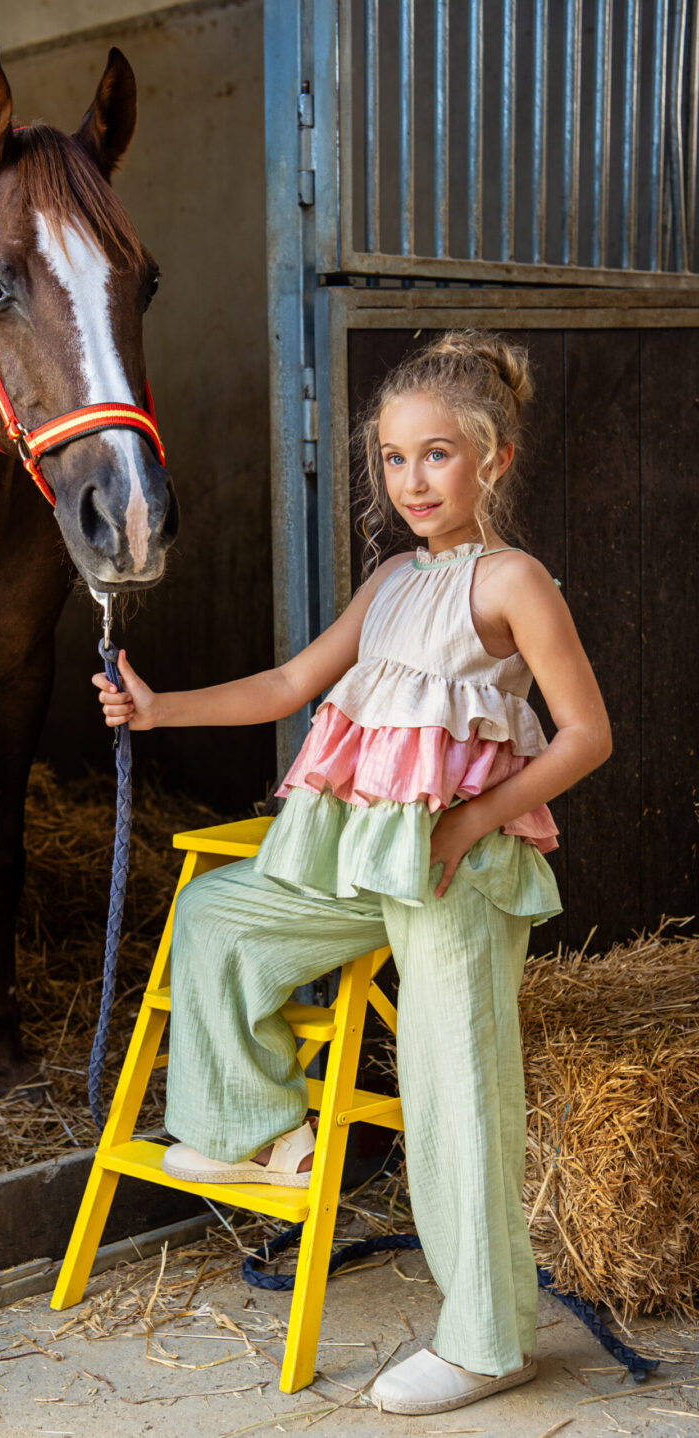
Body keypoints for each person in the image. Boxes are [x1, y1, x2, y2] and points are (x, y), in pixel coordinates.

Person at [93, 331, 611, 1416]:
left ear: (494, 460)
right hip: (368, 856)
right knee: (222, 914)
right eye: (392, 458)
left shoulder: (512, 581)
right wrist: (159, 705)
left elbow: (584, 737)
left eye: (436, 456)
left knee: (453, 1090)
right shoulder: (387, 584)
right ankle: (263, 1122)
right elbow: (289, 682)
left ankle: (486, 1342)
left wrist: (470, 823)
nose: (411, 480)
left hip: (455, 870)